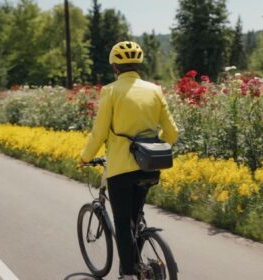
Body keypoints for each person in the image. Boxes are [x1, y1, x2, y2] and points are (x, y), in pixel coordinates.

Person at [80, 41, 179, 280]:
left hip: (121, 170)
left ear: (115, 66)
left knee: (123, 224)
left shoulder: (111, 91)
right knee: (134, 220)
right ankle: (139, 265)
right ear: (138, 64)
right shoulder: (155, 90)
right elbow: (172, 133)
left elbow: (100, 133)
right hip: (150, 167)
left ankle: (127, 274)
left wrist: (85, 158)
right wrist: (152, 150)